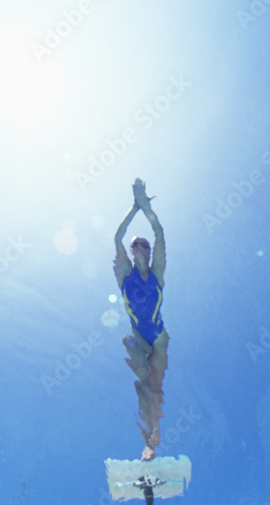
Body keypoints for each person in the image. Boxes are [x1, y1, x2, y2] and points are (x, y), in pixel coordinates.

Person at [114, 178, 168, 461]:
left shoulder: (158, 273)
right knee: (142, 383)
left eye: (143, 246)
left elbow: (158, 231)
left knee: (155, 385)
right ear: (132, 253)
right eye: (135, 246)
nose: (139, 248)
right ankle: (148, 441)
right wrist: (134, 207)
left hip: (158, 339)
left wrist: (146, 206)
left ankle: (155, 434)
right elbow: (117, 238)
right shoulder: (124, 275)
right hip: (139, 339)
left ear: (148, 251)